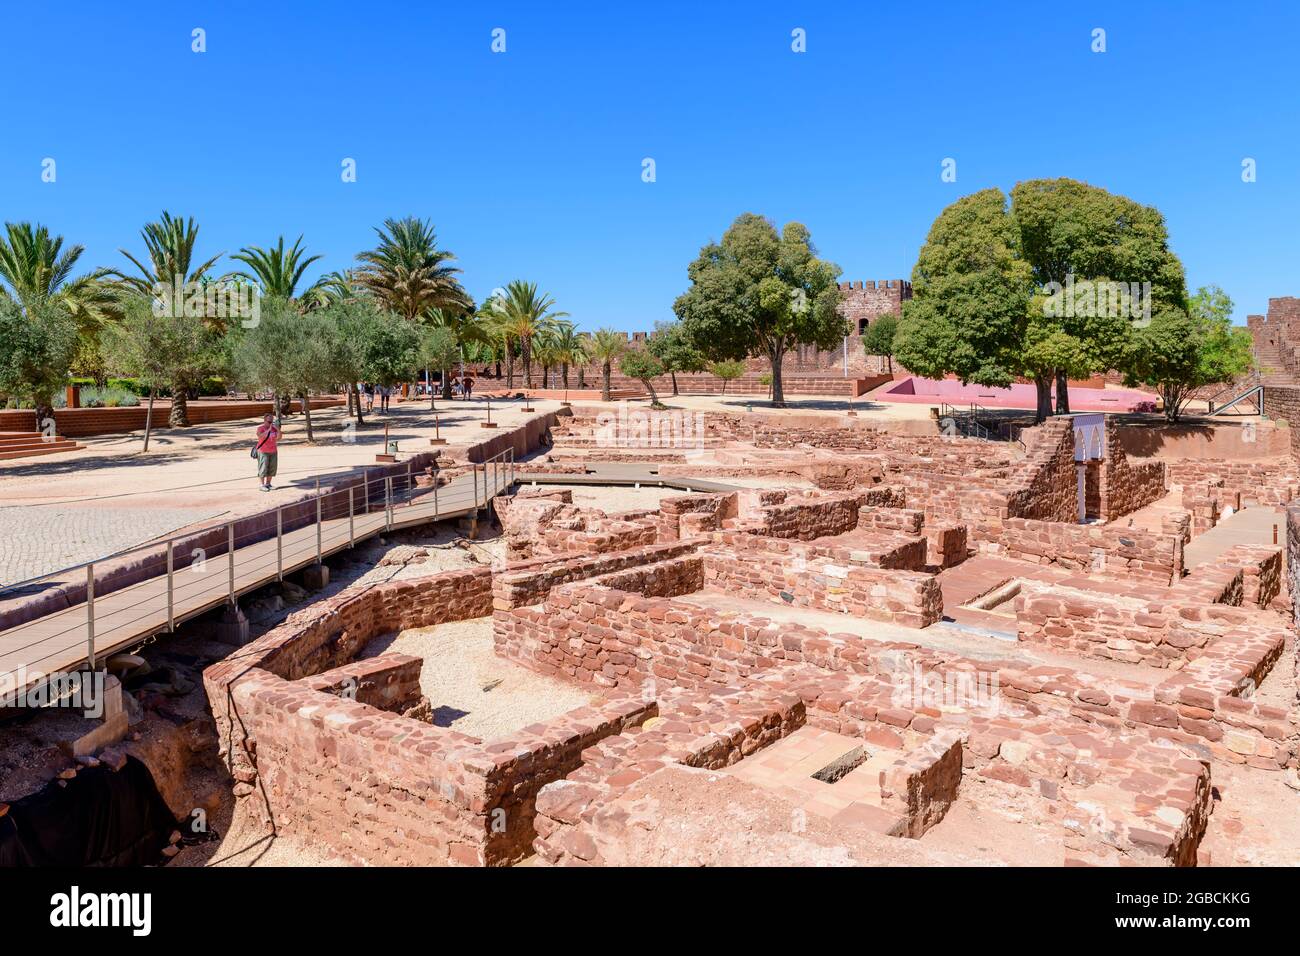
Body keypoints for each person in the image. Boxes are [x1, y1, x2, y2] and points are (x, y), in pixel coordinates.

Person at [253, 413, 281, 491]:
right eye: (269, 422)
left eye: (272, 421)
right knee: (263, 468)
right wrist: (269, 429)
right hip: (263, 451)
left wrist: (278, 429)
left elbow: (279, 438)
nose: (271, 423)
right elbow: (260, 436)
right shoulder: (260, 428)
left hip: (273, 450)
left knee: (272, 468)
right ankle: (262, 485)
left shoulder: (274, 429)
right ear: (265, 421)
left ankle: (268, 484)